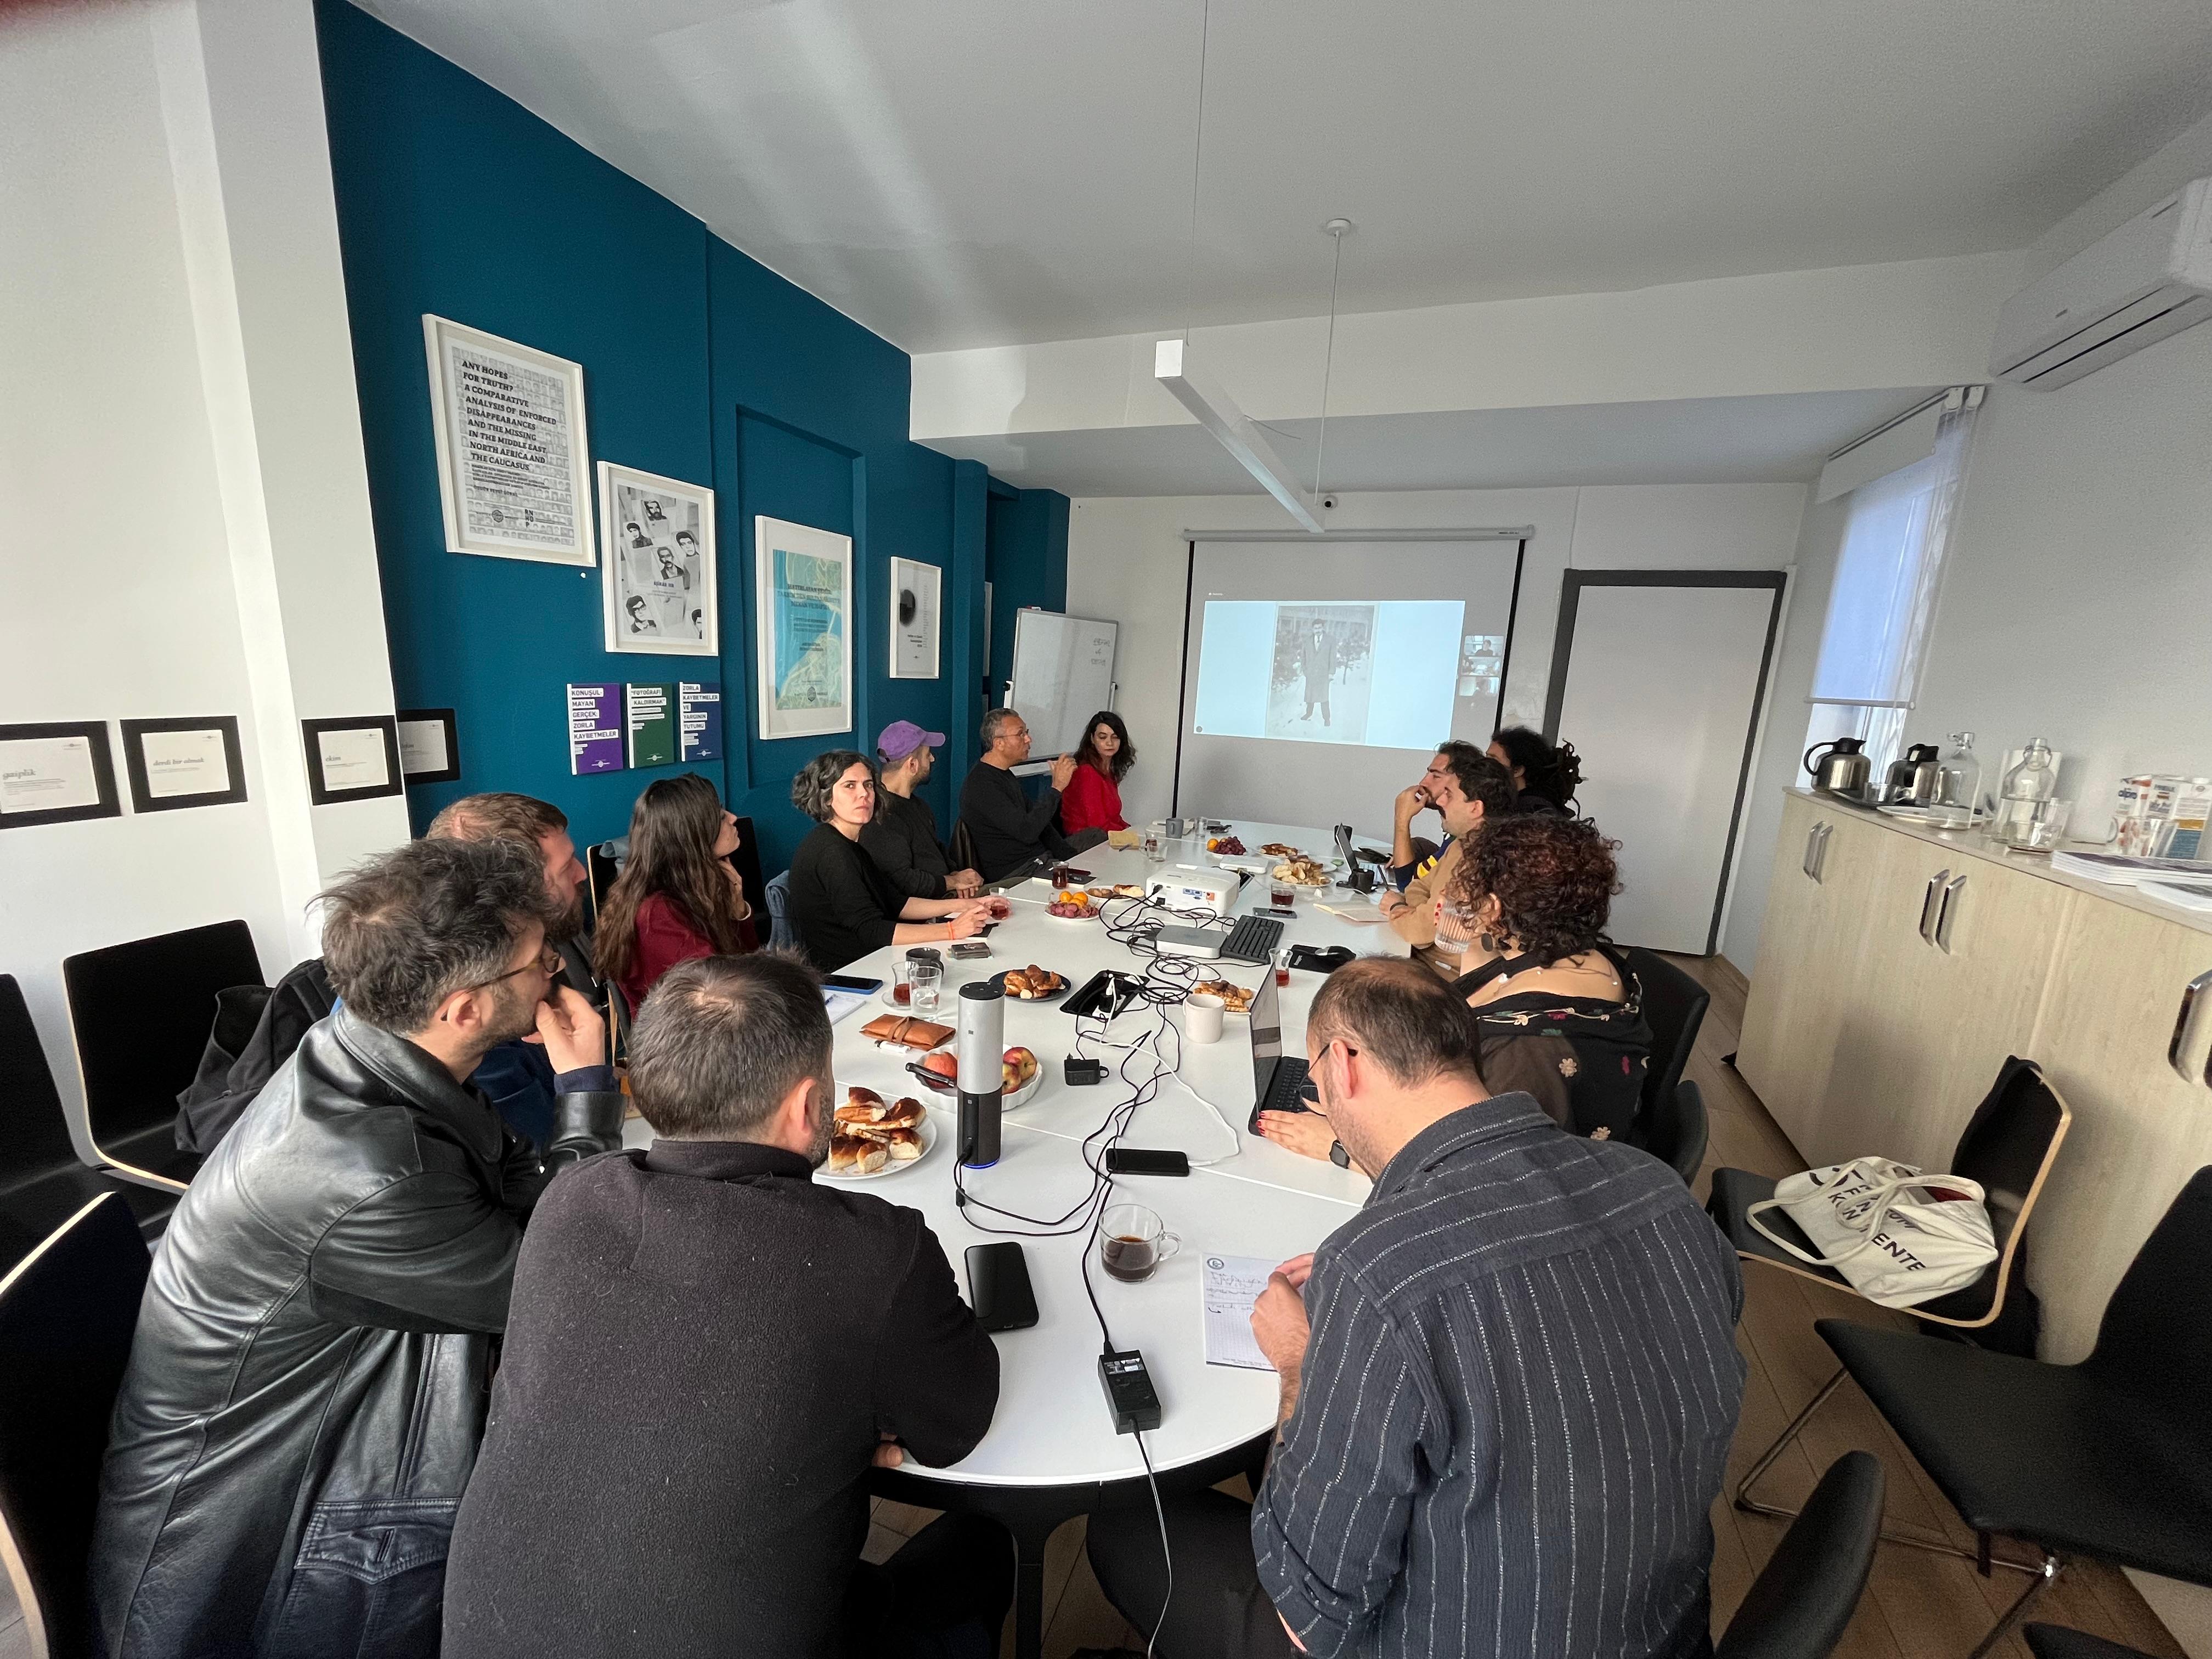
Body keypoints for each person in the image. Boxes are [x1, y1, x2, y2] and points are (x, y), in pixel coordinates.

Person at [1089, 957, 1744, 1658]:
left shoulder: (1376, 1269)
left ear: (1345, 1063)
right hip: (1665, 1631)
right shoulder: (1661, 1191)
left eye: (1316, 1077)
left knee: (1124, 1527)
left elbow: (1310, 1617)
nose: (1318, 1093)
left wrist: (1300, 1360)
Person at [92, 839, 627, 1659]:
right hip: (259, 1552)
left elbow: (523, 1183)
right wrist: (586, 1094)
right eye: (539, 962)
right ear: (463, 1009)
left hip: (329, 1437)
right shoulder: (370, 1170)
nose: (557, 972)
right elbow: (560, 1288)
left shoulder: (371, 1054)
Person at [443, 954, 1009, 1659]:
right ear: (807, 1107)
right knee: (984, 1544)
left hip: (491, 1634)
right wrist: (848, 1411)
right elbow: (956, 1427)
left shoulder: (570, 1200)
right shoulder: (877, 1252)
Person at [176, 791, 600, 1156]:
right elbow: (551, 1181)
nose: (582, 873)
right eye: (564, 868)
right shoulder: (452, 1028)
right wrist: (586, 1089)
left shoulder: (469, 980)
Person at [1262, 815, 1652, 1156]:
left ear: (1495, 907)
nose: (1451, 893)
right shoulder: (1575, 956)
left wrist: (1343, 1145)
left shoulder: (1525, 1051)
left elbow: (1481, 1170)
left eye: (1464, 883)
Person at [791, 749, 993, 971]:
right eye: (850, 786)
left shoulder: (850, 844)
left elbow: (897, 903)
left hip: (876, 958)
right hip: (853, 972)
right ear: (827, 797)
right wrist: (952, 930)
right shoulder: (833, 852)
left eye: (868, 785)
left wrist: (966, 905)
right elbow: (871, 930)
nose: (864, 794)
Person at [594, 772, 758, 1015]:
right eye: (720, 816)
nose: (733, 818)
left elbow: (745, 966)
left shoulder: (697, 888)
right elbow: (721, 994)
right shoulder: (657, 913)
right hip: (686, 1034)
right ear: (692, 835)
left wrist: (738, 910)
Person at [1375, 748, 1515, 978]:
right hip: (1426, 962)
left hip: (1442, 978)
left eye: (1449, 795)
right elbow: (1417, 886)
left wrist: (1397, 908)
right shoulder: (1460, 844)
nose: (1440, 801)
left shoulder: (1478, 860)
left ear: (1475, 808)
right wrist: (1420, 912)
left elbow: (1419, 932)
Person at [957, 708, 1106, 882]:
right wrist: (1057, 787)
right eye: (1020, 734)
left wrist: (1071, 859)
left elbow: (1042, 827)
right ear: (999, 743)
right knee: (1100, 871)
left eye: (1026, 732)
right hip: (1021, 870)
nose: (1029, 739)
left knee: (1096, 836)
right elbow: (1027, 832)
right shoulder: (982, 785)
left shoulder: (1004, 774)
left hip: (1042, 858)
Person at [861, 720, 985, 900]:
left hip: (947, 895)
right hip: (926, 907)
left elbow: (938, 853)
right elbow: (902, 881)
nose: (932, 759)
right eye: (928, 755)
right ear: (912, 765)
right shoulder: (882, 815)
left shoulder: (918, 805)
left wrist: (958, 877)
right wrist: (952, 882)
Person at [1384, 740, 1483, 890]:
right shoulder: (1455, 829)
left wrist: (1401, 820)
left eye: (1436, 776)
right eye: (1428, 773)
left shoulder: (1464, 835)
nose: (1423, 782)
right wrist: (1416, 845)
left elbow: (1408, 885)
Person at [1059, 709, 1135, 836]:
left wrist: (1130, 830)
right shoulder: (1087, 772)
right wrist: (1129, 835)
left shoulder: (1108, 771)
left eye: (1115, 737)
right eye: (1103, 737)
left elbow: (1114, 818)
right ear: (1092, 739)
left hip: (1104, 837)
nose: (1110, 743)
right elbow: (1098, 824)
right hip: (1087, 841)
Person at [1488, 724, 1583, 814]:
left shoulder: (1532, 810)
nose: (1484, 764)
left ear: (1517, 770)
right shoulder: (1524, 805)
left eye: (1493, 760)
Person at [1298, 619, 1335, 726]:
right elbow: (1303, 657)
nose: (1318, 630)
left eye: (1320, 628)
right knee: (1310, 695)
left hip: (1324, 674)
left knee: (1324, 698)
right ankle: (1308, 714)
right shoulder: (1307, 641)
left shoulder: (1330, 640)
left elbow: (1333, 657)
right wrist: (1305, 670)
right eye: (1316, 628)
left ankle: (1327, 719)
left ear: (1323, 628)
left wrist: (1331, 672)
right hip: (1311, 673)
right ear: (1313, 629)